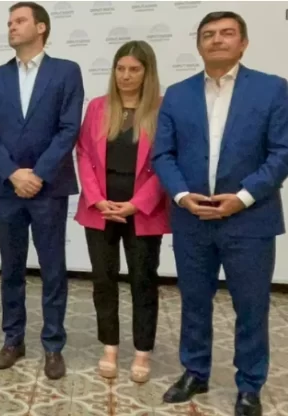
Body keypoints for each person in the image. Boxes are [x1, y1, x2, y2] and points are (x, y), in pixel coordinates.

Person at [152, 11, 288, 416]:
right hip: (192, 219)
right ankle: (195, 371)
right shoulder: (177, 94)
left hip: (250, 219)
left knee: (251, 306)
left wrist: (242, 198)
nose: (216, 40)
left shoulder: (272, 89)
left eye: (227, 33)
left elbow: (282, 153)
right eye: (208, 34)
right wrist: (181, 196)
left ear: (243, 43)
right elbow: (163, 154)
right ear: (198, 45)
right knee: (194, 301)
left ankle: (249, 385)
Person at [0, 2, 84, 379]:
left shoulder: (66, 71)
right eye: (10, 22)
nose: (12, 26)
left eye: (20, 20)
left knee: (53, 269)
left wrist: (37, 174)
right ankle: (13, 339)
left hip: (49, 187)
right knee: (11, 268)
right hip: (6, 188)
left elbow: (69, 129)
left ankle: (53, 345)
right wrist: (13, 173)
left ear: (41, 27)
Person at [74, 40, 169, 383]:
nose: (126, 76)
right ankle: (110, 346)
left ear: (147, 73)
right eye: (120, 68)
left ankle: (142, 351)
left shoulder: (162, 109)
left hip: (143, 210)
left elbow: (167, 161)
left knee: (143, 281)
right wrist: (96, 198)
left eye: (134, 69)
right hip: (100, 208)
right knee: (103, 279)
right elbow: (84, 153)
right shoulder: (98, 107)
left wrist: (136, 203)